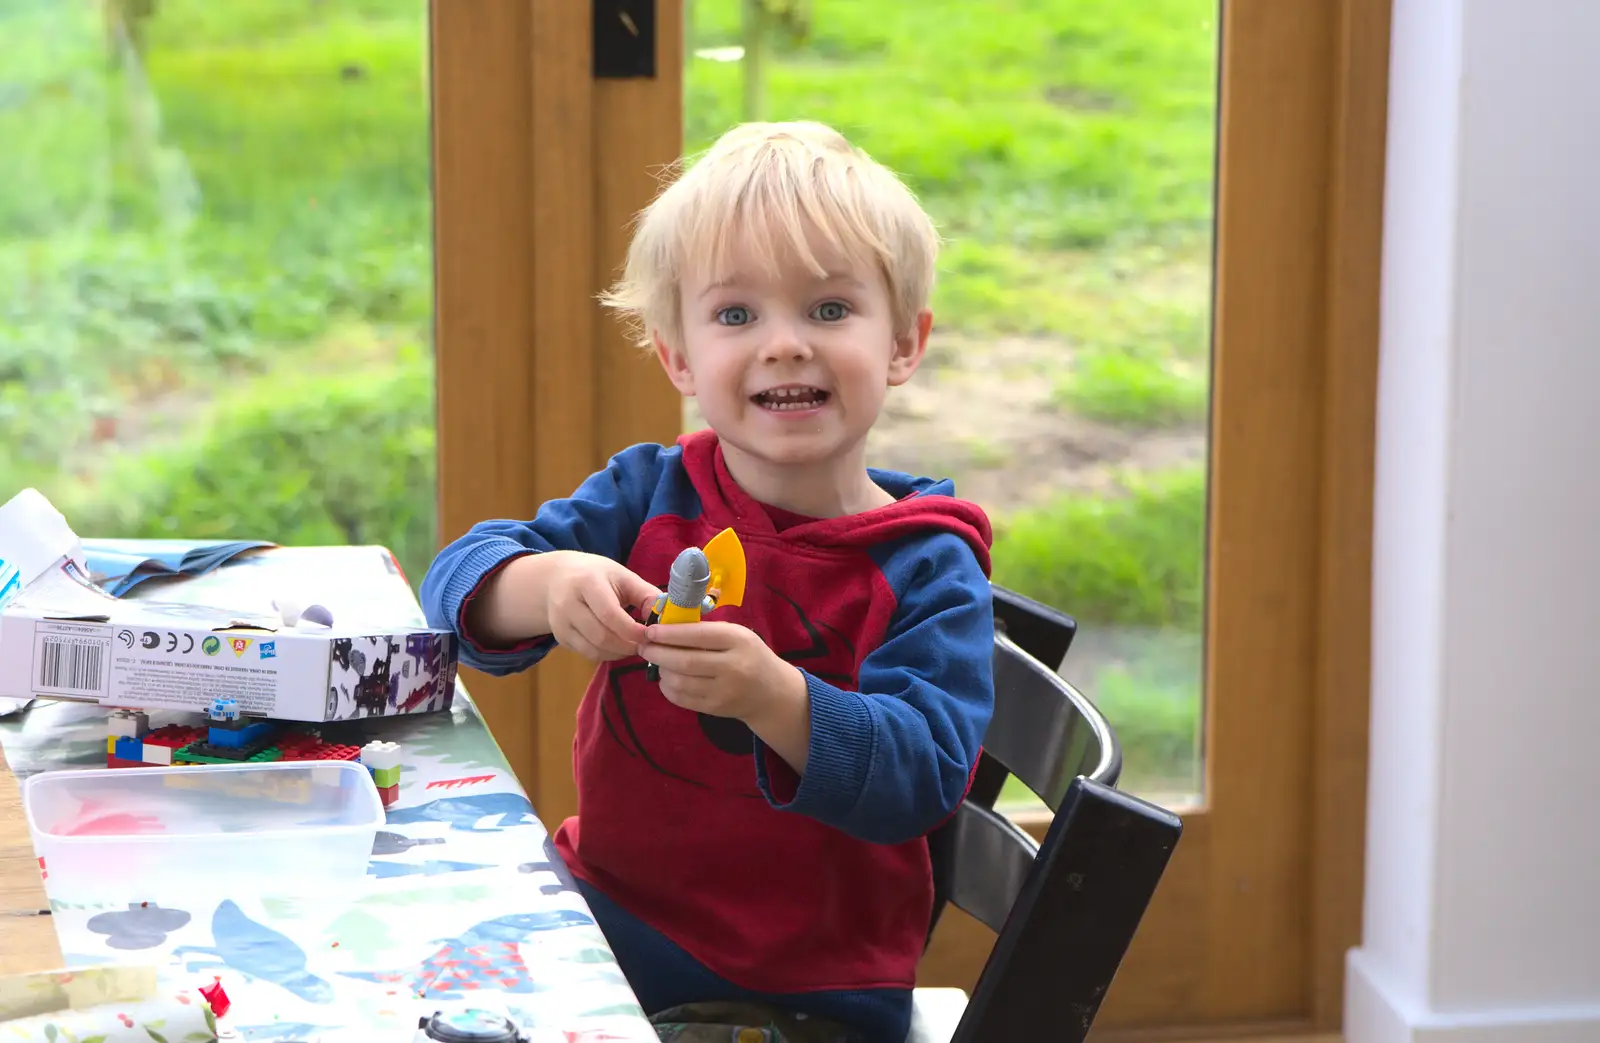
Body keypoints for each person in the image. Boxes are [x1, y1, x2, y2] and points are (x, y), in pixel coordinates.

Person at [420, 120, 995, 1043]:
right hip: (609, 922)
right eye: (736, 315)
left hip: (808, 995)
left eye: (829, 309)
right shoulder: (652, 491)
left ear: (904, 343)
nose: (784, 345)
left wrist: (780, 699)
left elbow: (924, 775)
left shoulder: (925, 563)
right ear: (677, 355)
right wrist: (547, 581)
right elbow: (456, 582)